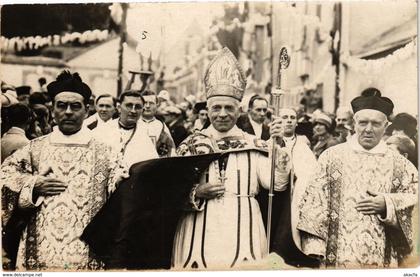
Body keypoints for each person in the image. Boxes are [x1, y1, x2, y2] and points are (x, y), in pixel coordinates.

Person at [172, 47, 291, 269]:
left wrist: (279, 151)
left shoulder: (254, 144)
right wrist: (195, 192)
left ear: (239, 111)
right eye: (216, 107)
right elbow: (169, 190)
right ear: (207, 110)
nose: (223, 113)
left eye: (229, 107)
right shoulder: (189, 145)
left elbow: (275, 184)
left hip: (243, 227)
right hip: (198, 228)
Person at [1, 71, 121, 270]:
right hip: (39, 249)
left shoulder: (106, 153)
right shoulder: (34, 148)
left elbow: (120, 187)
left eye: (75, 106)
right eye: (61, 105)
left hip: (86, 251)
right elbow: (5, 177)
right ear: (53, 108)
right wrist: (33, 185)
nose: (68, 112)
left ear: (87, 110)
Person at [297, 88, 418, 268]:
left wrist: (388, 204)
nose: (368, 129)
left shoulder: (402, 166)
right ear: (354, 124)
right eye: (363, 123)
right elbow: (313, 205)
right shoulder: (331, 158)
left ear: (386, 127)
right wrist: (315, 251)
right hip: (336, 258)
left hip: (382, 257)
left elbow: (416, 205)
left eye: (376, 124)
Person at [256, 108, 318, 267]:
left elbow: (313, 174)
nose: (289, 120)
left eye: (292, 117)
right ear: (277, 122)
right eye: (285, 117)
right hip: (273, 198)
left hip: (295, 199)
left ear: (297, 122)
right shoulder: (266, 144)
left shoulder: (303, 146)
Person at [93, 90, 158, 169]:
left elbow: (151, 165)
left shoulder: (146, 133)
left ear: (142, 110)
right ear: (119, 108)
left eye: (137, 107)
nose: (133, 111)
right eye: (129, 106)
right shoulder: (102, 131)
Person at [137, 90, 176, 157]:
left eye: (151, 103)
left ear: (157, 105)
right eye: (145, 103)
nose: (147, 106)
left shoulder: (161, 126)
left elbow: (171, 150)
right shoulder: (133, 123)